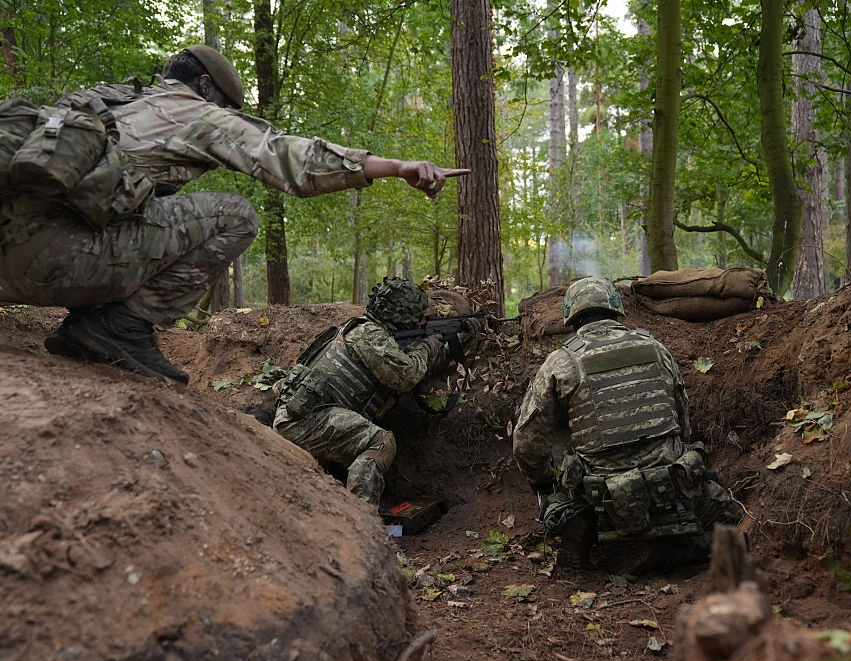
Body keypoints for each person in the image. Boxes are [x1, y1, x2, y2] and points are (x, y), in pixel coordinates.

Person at [0, 45, 465, 384]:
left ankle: (95, 315)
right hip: (46, 265)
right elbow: (291, 159)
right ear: (206, 87)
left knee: (135, 206)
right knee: (234, 215)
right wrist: (396, 167)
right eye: (227, 106)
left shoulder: (111, 102)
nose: (227, 114)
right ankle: (117, 328)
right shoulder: (194, 113)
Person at [512, 276, 741, 573]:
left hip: (602, 495)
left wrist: (544, 480)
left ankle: (594, 541)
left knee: (559, 506)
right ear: (617, 309)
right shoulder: (655, 348)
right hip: (670, 484)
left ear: (572, 316)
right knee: (722, 509)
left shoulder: (561, 362)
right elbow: (682, 419)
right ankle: (681, 546)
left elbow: (526, 443)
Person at [273, 277, 482, 508]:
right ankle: (362, 519)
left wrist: (461, 338)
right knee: (381, 442)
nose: (421, 321)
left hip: (310, 416)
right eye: (417, 318)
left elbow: (422, 368)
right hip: (305, 420)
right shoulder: (369, 335)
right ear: (401, 318)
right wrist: (428, 344)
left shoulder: (374, 332)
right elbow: (407, 376)